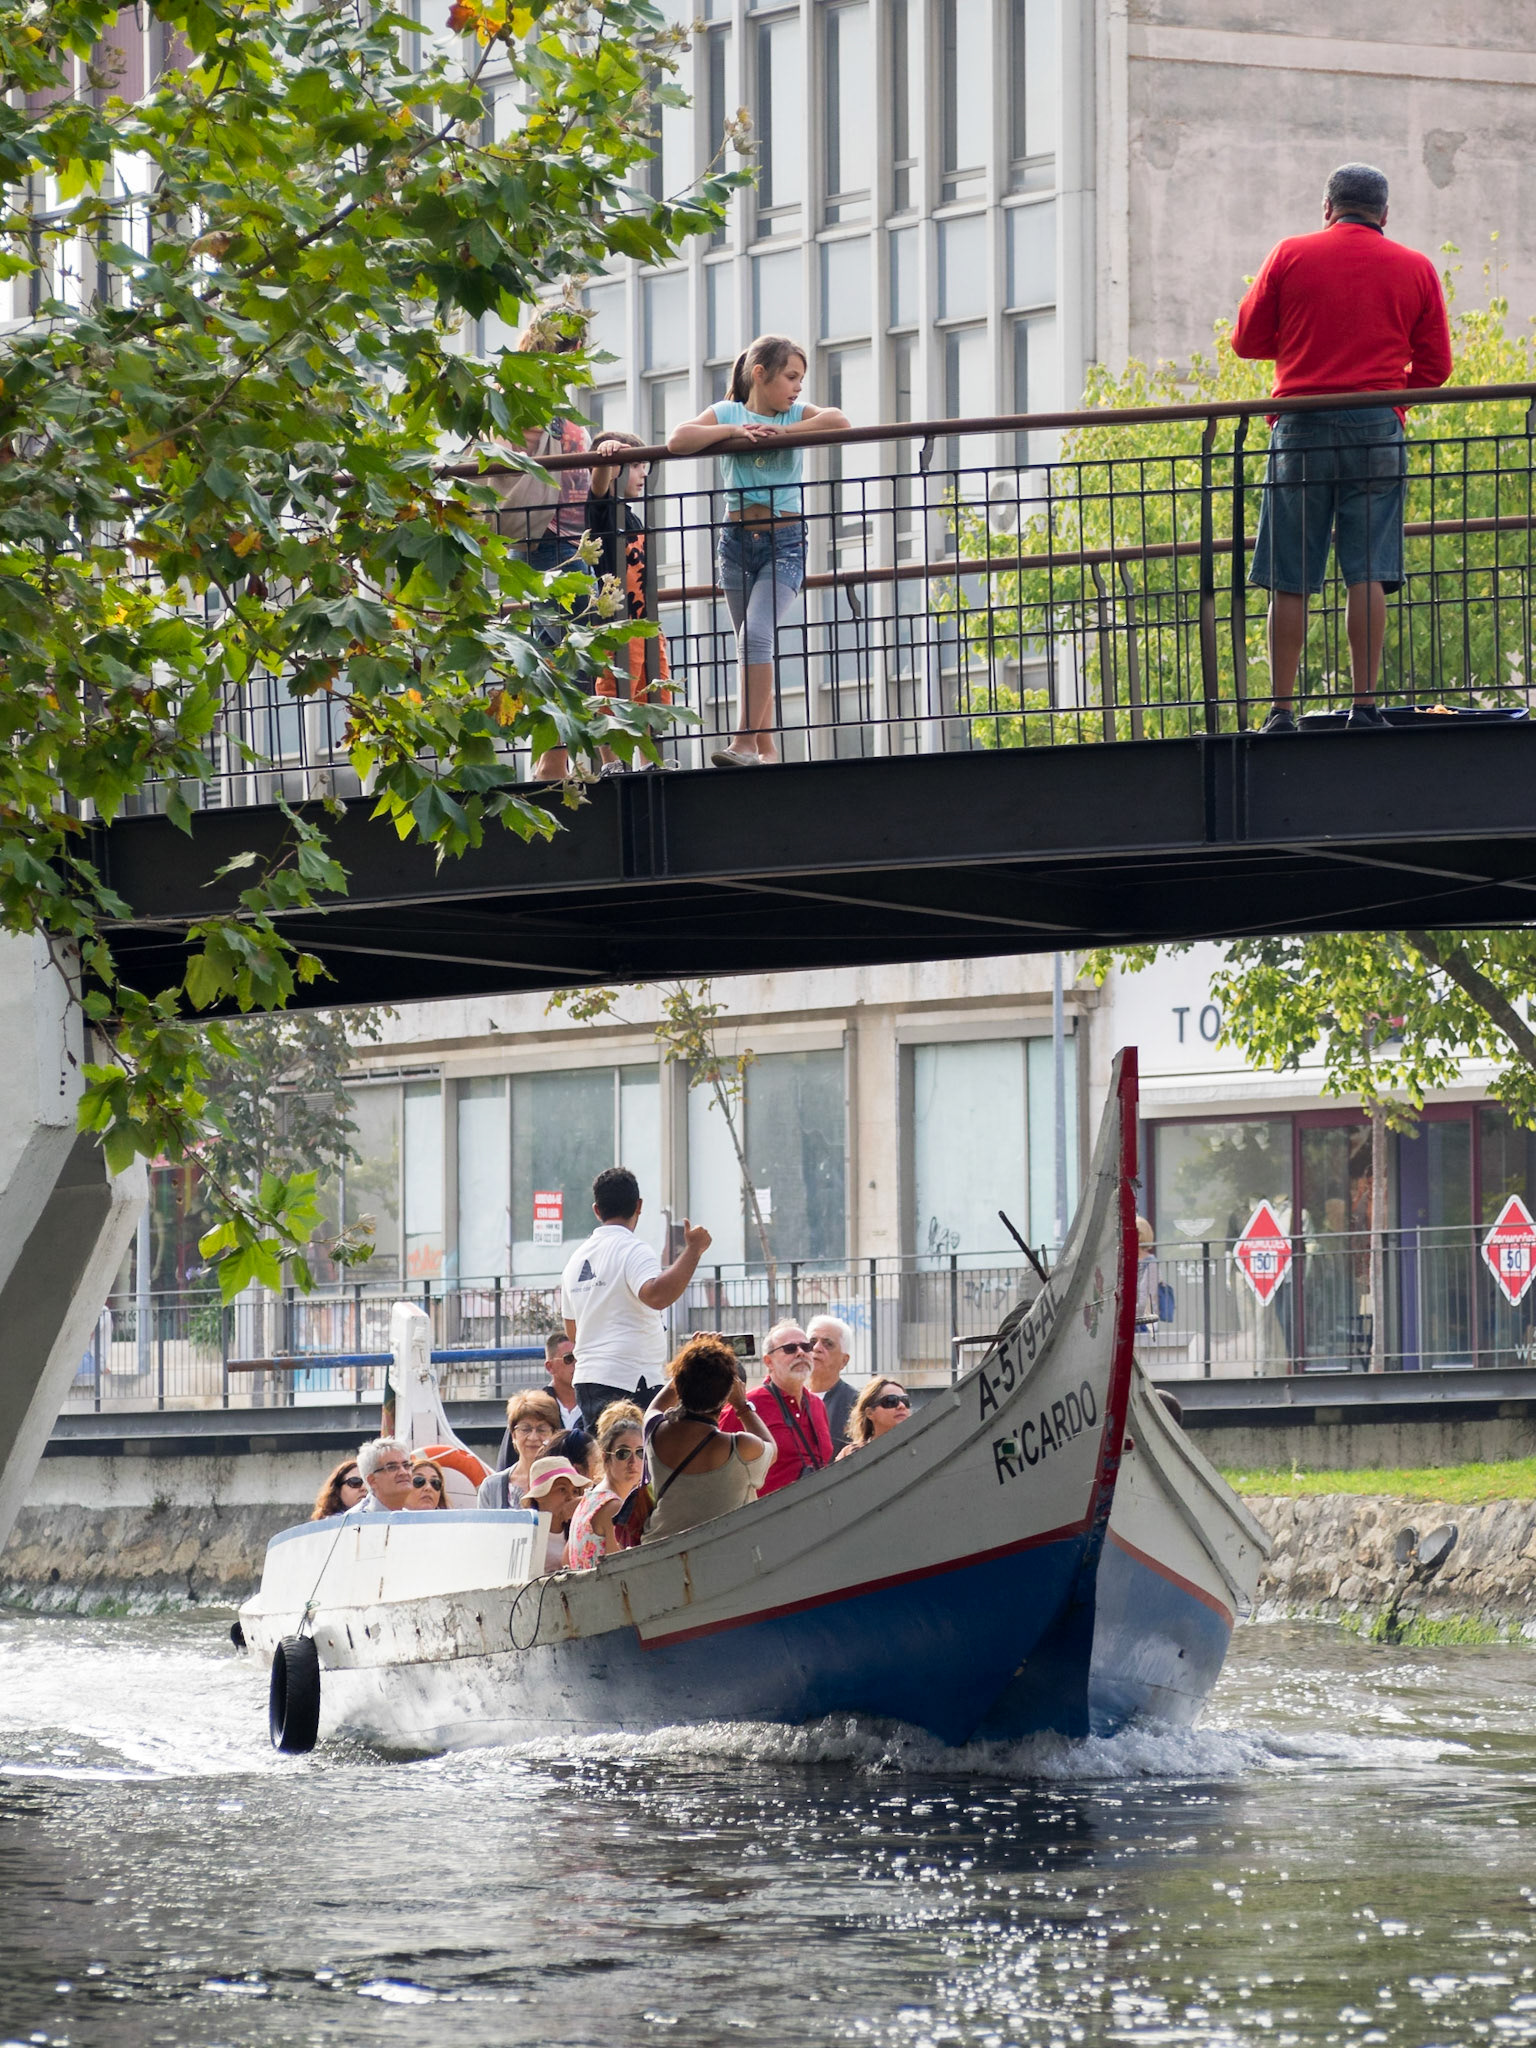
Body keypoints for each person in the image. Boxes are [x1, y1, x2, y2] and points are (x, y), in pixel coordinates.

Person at [1232, 163, 1452, 734]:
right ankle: (1366, 706)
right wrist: (1390, 402)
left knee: (1291, 572)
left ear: (1327, 208)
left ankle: (1281, 710)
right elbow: (1436, 368)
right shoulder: (1416, 267)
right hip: (1377, 428)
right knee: (1370, 569)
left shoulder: (1289, 254)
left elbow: (1246, 341)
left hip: (1302, 427)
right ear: (1384, 214)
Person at [669, 336, 849, 768]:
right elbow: (678, 440)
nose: (797, 387)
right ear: (760, 374)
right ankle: (765, 748)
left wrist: (783, 433)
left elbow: (839, 421)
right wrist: (734, 432)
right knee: (750, 644)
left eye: (801, 379)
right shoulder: (727, 411)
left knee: (755, 637)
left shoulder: (793, 413)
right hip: (734, 544)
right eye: (791, 377)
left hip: (784, 544)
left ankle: (745, 742)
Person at [561, 1165, 712, 1430]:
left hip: (588, 1381)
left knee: (604, 1464)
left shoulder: (575, 1260)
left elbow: (572, 1331)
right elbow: (656, 1295)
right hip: (631, 1380)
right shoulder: (633, 1249)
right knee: (637, 1466)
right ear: (639, 1206)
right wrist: (694, 1251)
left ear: (597, 1210)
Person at [584, 430, 673, 776]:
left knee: (654, 688)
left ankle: (650, 761)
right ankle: (612, 763)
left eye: (644, 464)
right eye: (635, 465)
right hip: (616, 623)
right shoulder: (605, 513)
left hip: (645, 620)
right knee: (614, 688)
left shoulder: (632, 515)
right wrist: (607, 459)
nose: (643, 474)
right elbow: (599, 488)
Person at [642, 1335, 776, 1544]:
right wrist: (742, 1406)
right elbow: (772, 1450)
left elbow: (655, 1407)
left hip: (659, 1548)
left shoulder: (655, 1430)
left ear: (679, 1382)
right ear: (727, 1393)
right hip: (719, 1555)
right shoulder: (740, 1447)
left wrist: (692, 1358)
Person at [746, 1321, 833, 1497]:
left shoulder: (817, 1404)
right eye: (790, 1349)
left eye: (806, 1346)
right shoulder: (747, 1406)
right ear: (768, 1361)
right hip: (767, 1519)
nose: (801, 1353)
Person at [564, 1416, 646, 1568]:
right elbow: (619, 1571)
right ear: (605, 1457)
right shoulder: (613, 1506)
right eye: (623, 1453)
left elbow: (565, 1559)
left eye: (640, 1452)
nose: (633, 1461)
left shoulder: (589, 1497)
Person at [490, 1333, 581, 1470]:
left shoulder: (597, 1409)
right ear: (550, 1367)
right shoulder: (529, 1410)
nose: (577, 1364)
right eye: (569, 1358)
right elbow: (506, 1468)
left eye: (581, 1358)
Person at [476, 1389, 561, 1508]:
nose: (533, 1437)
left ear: (553, 1435)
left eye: (541, 1429)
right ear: (513, 1435)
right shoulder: (491, 1487)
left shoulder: (565, 1483)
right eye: (525, 1429)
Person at [522, 1455, 592, 1573]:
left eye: (574, 1491)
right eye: (562, 1490)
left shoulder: (580, 1527)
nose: (571, 1497)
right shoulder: (526, 1532)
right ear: (539, 1496)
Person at [806, 1314, 857, 1450]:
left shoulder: (857, 1404)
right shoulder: (789, 1398)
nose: (816, 1348)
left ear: (844, 1360)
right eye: (812, 1342)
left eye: (828, 1344)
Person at [835, 1378, 912, 1461]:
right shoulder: (850, 1454)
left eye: (905, 1400)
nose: (901, 1406)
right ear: (870, 1413)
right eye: (891, 1401)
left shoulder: (918, 1446)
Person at [353, 1437, 415, 1512]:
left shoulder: (413, 1519)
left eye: (406, 1465)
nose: (404, 1472)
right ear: (372, 1480)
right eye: (392, 1467)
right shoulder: (354, 1521)